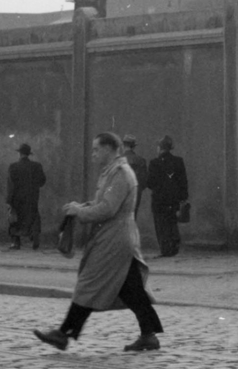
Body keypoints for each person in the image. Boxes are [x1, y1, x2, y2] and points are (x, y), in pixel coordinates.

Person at [35, 131, 163, 353]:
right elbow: (102, 203)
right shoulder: (112, 173)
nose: (93, 154)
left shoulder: (121, 174)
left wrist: (80, 212)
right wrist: (82, 207)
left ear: (109, 149)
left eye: (96, 149)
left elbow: (108, 209)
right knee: (130, 289)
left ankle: (63, 334)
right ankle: (148, 335)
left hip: (114, 240)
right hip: (116, 238)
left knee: (89, 283)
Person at [147, 135, 189, 258]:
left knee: (161, 224)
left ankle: (165, 249)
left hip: (159, 199)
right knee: (172, 222)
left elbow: (150, 183)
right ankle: (174, 247)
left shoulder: (154, 163)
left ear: (160, 148)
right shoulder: (178, 161)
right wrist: (183, 197)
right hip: (174, 198)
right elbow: (183, 181)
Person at [7, 143, 47, 251]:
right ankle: (35, 239)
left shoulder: (13, 167)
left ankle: (15, 242)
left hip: (17, 199)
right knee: (33, 218)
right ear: (29, 154)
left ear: (19, 153)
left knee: (15, 220)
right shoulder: (37, 166)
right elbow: (42, 181)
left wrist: (9, 201)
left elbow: (11, 185)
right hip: (32, 198)